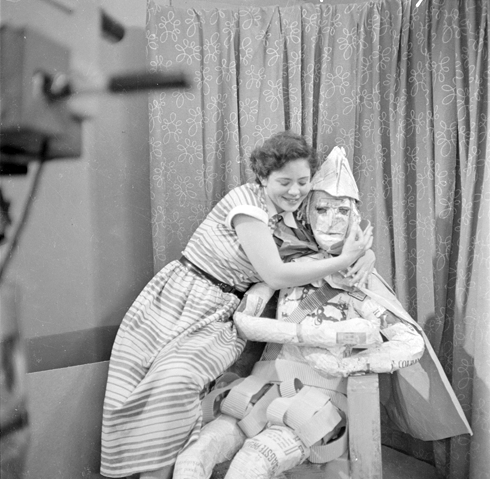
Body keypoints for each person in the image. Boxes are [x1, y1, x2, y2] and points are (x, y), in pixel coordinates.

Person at [172, 146, 472, 479]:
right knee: (193, 457)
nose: (331, 220)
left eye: (342, 210)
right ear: (306, 212)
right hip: (259, 387)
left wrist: (348, 364)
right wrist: (311, 333)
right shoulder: (288, 264)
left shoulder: (361, 278)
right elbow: (244, 321)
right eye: (322, 209)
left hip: (317, 400)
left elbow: (410, 342)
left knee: (251, 463)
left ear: (354, 216)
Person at [100, 131, 374, 479]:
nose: (295, 191)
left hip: (217, 313)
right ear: (263, 177)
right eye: (284, 182)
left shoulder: (292, 217)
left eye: (303, 182)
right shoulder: (247, 205)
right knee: (139, 383)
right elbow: (275, 274)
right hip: (178, 299)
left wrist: (364, 256)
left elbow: (329, 242)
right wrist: (345, 260)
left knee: (177, 381)